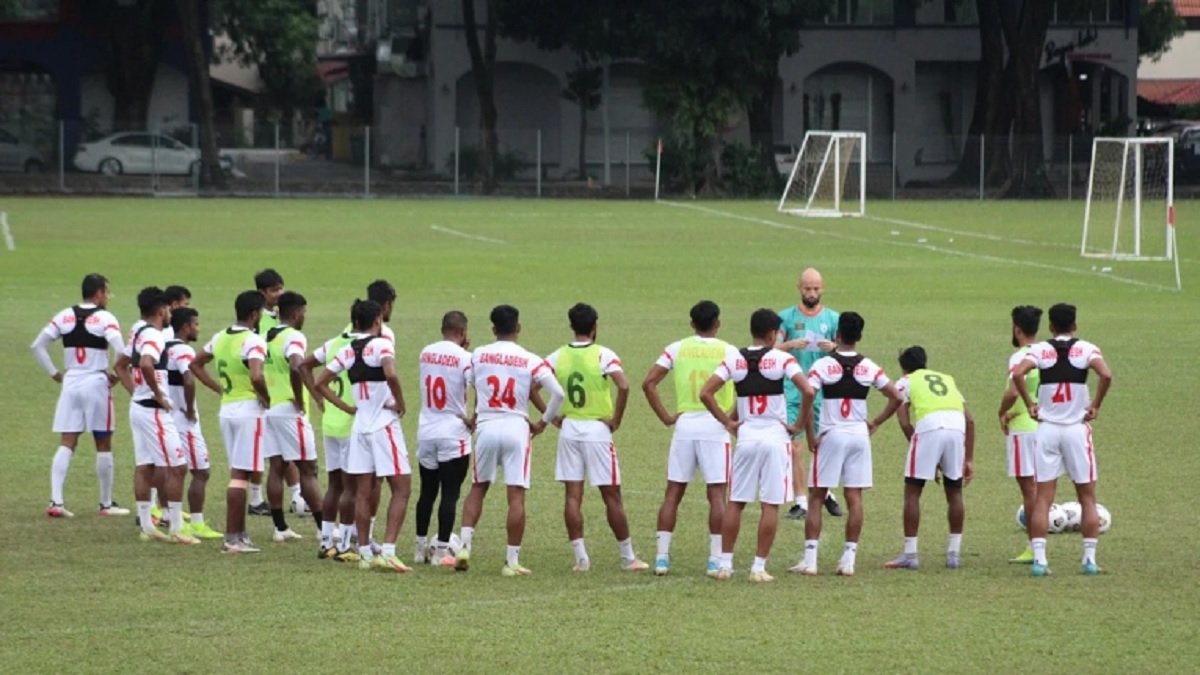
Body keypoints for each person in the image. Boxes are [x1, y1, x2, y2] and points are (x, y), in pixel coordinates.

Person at [701, 309, 814, 582]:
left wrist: (727, 423)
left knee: (736, 502)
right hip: (775, 438)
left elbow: (705, 393)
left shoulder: (734, 359)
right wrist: (798, 425)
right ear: (773, 334)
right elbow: (809, 390)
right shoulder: (782, 359)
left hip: (747, 437)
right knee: (770, 505)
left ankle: (725, 564)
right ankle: (758, 567)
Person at [455, 305, 564, 576]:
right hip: (517, 426)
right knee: (516, 495)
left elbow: (470, 380)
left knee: (478, 487)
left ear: (493, 329)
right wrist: (543, 422)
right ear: (518, 328)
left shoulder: (479, 354)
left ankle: (465, 547)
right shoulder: (529, 358)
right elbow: (558, 394)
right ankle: (511, 561)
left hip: (487, 426)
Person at [790, 312, 899, 577]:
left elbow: (808, 394)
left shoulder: (824, 366)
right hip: (859, 436)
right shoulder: (870, 367)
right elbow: (896, 396)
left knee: (816, 495)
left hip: (832, 434)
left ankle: (811, 560)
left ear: (837, 336)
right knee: (854, 497)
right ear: (859, 336)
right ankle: (848, 560)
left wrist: (810, 433)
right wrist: (875, 422)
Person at [1011, 303, 1112, 577]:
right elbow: (1106, 374)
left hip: (1047, 429)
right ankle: (1089, 560)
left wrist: (1030, 403)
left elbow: (1018, 373)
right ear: (1075, 326)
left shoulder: (1041, 349)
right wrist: (1096, 405)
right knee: (1087, 497)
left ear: (1051, 327)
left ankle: (1041, 561)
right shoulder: (1087, 349)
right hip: (1077, 429)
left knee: (1043, 497)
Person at [547, 303, 647, 572]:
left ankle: (581, 559)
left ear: (571, 326)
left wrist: (551, 417)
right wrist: (616, 419)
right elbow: (624, 385)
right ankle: (628, 557)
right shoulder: (603, 354)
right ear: (595, 326)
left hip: (569, 430)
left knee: (572, 496)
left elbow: (534, 386)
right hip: (597, 431)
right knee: (612, 495)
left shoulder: (558, 356)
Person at [315, 299, 413, 572]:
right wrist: (400, 402)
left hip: (359, 426)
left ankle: (366, 552)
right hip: (383, 424)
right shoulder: (382, 345)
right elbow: (391, 373)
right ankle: (390, 551)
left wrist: (346, 406)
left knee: (362, 492)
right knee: (402, 488)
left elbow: (319, 382)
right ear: (378, 321)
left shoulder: (347, 351)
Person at [642, 300, 734, 577]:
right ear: (718, 323)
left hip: (684, 426)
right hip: (715, 426)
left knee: (673, 493)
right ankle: (715, 559)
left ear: (692, 324)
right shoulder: (729, 351)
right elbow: (744, 385)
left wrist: (666, 417)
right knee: (717, 495)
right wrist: (730, 417)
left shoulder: (677, 348)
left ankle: (661, 558)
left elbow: (648, 383)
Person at [30, 273, 128, 518]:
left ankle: (56, 500)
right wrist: (117, 375)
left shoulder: (64, 316)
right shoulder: (105, 318)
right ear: (98, 294)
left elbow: (37, 346)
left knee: (67, 441)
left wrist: (55, 374)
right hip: (96, 382)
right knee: (103, 441)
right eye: (107, 292)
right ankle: (106, 504)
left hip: (71, 382)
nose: (108, 297)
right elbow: (121, 350)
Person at [875, 346, 976, 571]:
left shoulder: (906, 381)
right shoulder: (947, 379)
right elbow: (969, 420)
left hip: (929, 427)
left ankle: (910, 555)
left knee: (913, 491)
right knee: (954, 491)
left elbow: (903, 421)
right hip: (956, 428)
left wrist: (924, 450)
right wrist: (968, 459)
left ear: (904, 368)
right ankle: (953, 554)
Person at [114, 288, 196, 544]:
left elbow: (119, 365)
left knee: (146, 465)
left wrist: (136, 391)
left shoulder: (138, 332)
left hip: (139, 407)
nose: (171, 313)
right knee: (178, 467)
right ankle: (176, 528)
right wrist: (159, 393)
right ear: (161, 310)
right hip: (153, 411)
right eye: (169, 309)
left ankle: (148, 525)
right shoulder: (154, 335)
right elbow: (147, 363)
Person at [193, 290, 270, 554]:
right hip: (248, 411)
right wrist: (265, 398)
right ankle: (232, 539)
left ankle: (241, 535)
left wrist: (219, 388)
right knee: (240, 476)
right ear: (254, 314)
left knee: (241, 473)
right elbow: (257, 376)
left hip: (227, 410)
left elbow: (196, 363)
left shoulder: (220, 337)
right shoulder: (254, 341)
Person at [777, 268, 842, 520]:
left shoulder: (833, 318)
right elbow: (772, 347)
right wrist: (790, 345)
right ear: (798, 288)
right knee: (795, 446)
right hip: (792, 390)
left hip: (823, 391)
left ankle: (826, 493)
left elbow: (845, 350)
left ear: (823, 288)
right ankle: (801, 501)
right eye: (807, 289)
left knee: (823, 445)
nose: (812, 293)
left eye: (816, 289)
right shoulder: (786, 317)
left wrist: (833, 347)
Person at [262, 291, 324, 544]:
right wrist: (300, 397)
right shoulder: (294, 336)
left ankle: (280, 527)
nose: (304, 317)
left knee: (277, 466)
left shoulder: (268, 336)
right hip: (289, 410)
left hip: (269, 408)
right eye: (304, 313)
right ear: (296, 313)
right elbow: (297, 365)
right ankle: (325, 529)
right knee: (308, 469)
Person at [413, 311, 473, 567]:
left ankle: (419, 548)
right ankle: (440, 552)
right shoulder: (466, 358)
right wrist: (473, 419)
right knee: (450, 493)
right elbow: (476, 386)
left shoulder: (426, 352)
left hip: (426, 430)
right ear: (463, 332)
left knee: (427, 492)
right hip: (453, 431)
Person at [302, 315, 361, 563]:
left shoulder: (334, 343)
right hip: (350, 424)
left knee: (334, 485)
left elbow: (304, 365)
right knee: (351, 488)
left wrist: (318, 398)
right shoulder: (364, 347)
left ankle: (327, 543)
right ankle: (346, 544)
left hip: (330, 424)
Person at [164, 306, 224, 539]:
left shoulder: (164, 348)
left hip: (166, 416)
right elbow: (189, 380)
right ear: (186, 326)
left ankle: (174, 519)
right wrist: (189, 409)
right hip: (183, 421)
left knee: (173, 470)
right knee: (200, 471)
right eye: (196, 324)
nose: (198, 328)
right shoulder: (183, 350)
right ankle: (194, 522)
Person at [248, 268, 300, 517]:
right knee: (267, 451)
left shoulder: (281, 317)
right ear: (262, 293)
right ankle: (256, 498)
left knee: (286, 452)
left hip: (278, 392)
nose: (280, 294)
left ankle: (297, 496)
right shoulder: (256, 320)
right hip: (265, 392)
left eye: (281, 288)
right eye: (274, 290)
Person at [997, 306, 1043, 564]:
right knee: (1041, 488)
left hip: (1023, 429)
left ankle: (1034, 548)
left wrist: (1001, 412)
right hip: (1045, 426)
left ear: (1017, 328)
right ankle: (1039, 546)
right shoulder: (1044, 353)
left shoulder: (1019, 358)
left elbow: (1013, 392)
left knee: (1029, 490)